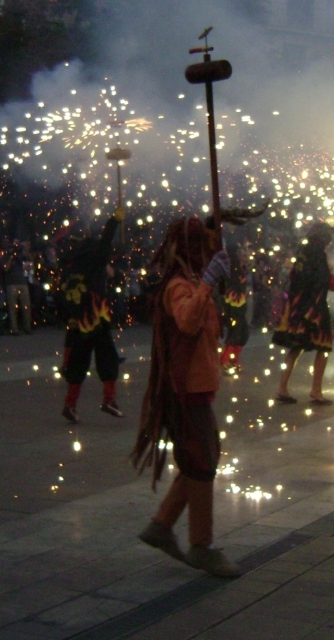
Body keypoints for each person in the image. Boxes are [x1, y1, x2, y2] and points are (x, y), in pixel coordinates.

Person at [133, 216, 240, 578]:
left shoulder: (191, 281)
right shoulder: (178, 285)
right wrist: (207, 283)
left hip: (198, 388)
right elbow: (188, 322)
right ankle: (201, 545)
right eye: (204, 245)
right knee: (203, 461)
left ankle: (161, 525)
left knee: (199, 458)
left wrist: (209, 283)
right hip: (185, 391)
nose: (209, 251)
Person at [273, 222, 334, 405]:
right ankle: (316, 390)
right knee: (323, 346)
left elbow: (296, 277)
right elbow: (323, 279)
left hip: (298, 306)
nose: (330, 243)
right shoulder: (318, 254)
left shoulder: (302, 252)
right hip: (314, 308)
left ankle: (282, 387)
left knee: (296, 347)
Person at [59, 209, 126, 422]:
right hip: (96, 317)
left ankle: (70, 405)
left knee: (78, 362)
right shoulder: (93, 256)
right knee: (107, 358)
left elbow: (63, 293)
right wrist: (113, 222)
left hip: (79, 319)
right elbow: (105, 242)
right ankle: (109, 400)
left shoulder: (70, 262)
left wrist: (69, 316)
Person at [219, 243, 251, 374]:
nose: (245, 252)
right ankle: (224, 361)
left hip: (240, 304)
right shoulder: (231, 268)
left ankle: (233, 360)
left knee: (244, 334)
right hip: (232, 305)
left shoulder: (241, 267)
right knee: (235, 334)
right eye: (242, 250)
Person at [4, 241, 33, 335]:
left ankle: (27, 327)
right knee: (13, 308)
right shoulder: (6, 256)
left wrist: (26, 250)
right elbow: (6, 268)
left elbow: (30, 266)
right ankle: (14, 328)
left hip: (23, 283)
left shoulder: (22, 256)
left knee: (26, 307)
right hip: (11, 284)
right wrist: (11, 257)